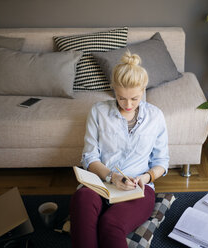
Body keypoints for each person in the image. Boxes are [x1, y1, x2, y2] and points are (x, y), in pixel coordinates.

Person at [70, 50, 169, 248]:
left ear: (143, 90)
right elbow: (89, 157)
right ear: (113, 89)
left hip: (138, 189)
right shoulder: (98, 112)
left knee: (110, 225)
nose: (128, 104)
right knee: (81, 203)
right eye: (122, 98)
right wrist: (111, 177)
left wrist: (145, 178)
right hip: (101, 182)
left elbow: (161, 162)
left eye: (134, 98)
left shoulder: (156, 117)